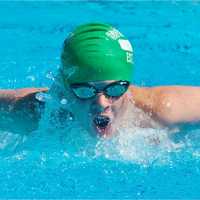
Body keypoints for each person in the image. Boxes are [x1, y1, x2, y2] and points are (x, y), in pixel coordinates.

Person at [1, 22, 200, 136]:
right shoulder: (34, 114)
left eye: (113, 89)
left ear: (127, 85)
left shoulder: (162, 110)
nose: (100, 103)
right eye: (84, 91)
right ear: (66, 88)